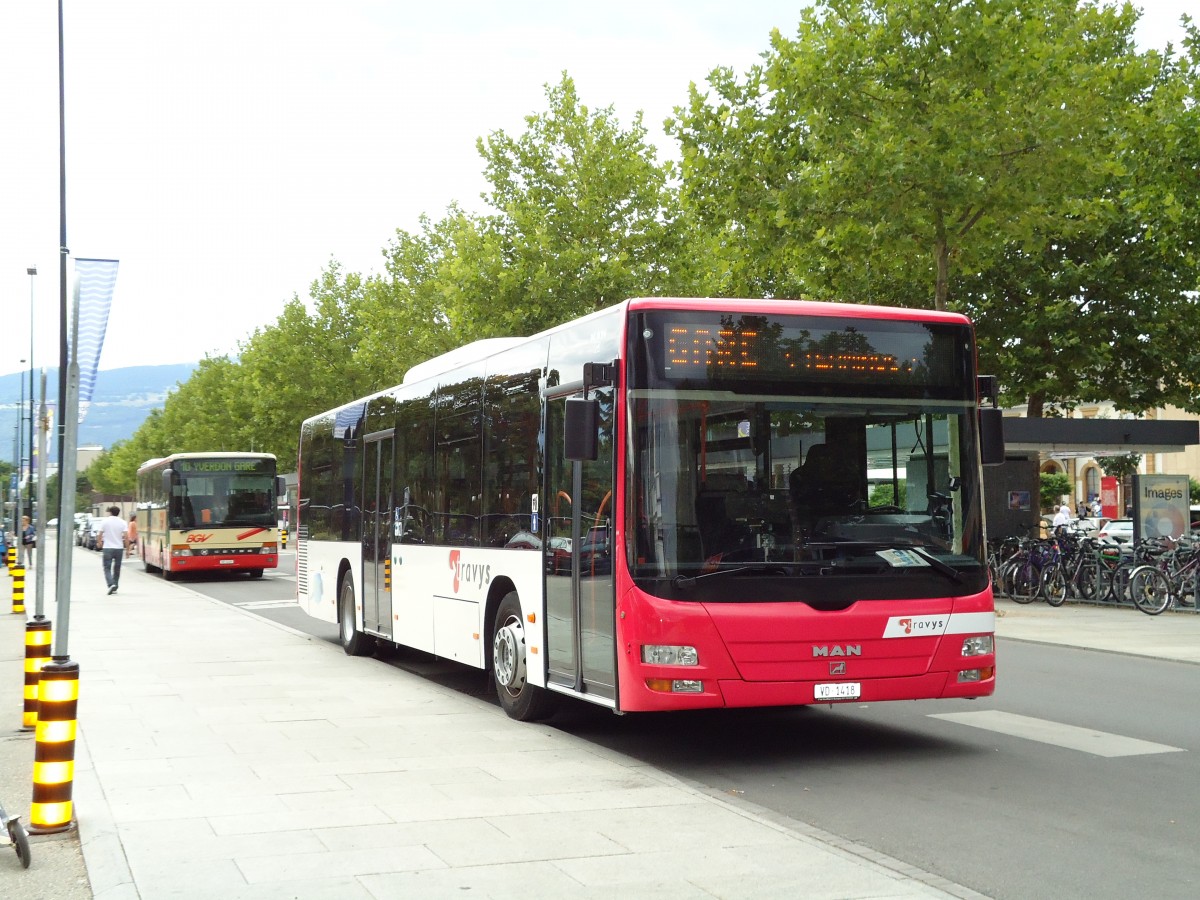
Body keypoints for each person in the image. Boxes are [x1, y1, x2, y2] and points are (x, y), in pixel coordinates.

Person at [98, 506, 128, 595]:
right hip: (119, 548)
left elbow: (100, 534)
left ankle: (111, 584)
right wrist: (128, 549)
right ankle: (115, 585)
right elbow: (126, 536)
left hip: (107, 547)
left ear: (110, 512)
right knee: (117, 568)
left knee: (107, 567)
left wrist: (99, 542)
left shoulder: (105, 521)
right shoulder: (123, 522)